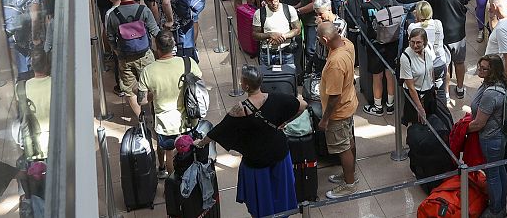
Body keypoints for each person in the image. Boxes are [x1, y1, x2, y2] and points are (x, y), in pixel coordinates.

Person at [194, 65, 307, 216]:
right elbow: (302, 106)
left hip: (256, 162)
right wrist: (286, 121)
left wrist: (200, 143)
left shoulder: (240, 109)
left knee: (261, 199)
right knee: (282, 193)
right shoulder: (276, 98)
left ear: (246, 85)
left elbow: (218, 131)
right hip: (280, 155)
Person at [138, 30, 202, 179]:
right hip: (189, 118)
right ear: (173, 46)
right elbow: (199, 83)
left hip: (165, 124)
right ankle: (190, 181)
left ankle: (174, 182)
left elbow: (141, 101)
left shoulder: (148, 71)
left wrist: (154, 94)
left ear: (156, 48)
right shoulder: (188, 62)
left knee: (169, 153)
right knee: (189, 149)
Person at [104, 0, 159, 119]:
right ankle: (156, 115)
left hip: (124, 58)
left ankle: (141, 121)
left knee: (130, 91)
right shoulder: (143, 10)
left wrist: (116, 51)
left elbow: (110, 37)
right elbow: (155, 31)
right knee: (153, 86)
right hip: (145, 54)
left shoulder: (112, 15)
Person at [317, 21, 359, 199]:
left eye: (319, 38)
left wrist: (325, 119)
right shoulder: (346, 44)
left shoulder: (335, 63)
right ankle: (350, 174)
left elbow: (334, 96)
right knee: (349, 142)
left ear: (325, 39)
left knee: (343, 148)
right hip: (349, 103)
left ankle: (349, 185)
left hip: (338, 112)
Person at [468, 54, 507, 218]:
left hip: (491, 139)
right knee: (499, 170)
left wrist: (462, 130)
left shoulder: (490, 93)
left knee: (493, 175)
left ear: (493, 71)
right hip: (498, 137)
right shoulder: (495, 84)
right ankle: (501, 206)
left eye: (484, 68)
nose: (480, 70)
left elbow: (479, 123)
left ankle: (496, 210)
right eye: (480, 66)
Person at [428, 0, 472, 99]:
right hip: (459, 33)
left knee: (445, 64)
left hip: (442, 34)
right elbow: (466, 0)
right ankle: (460, 88)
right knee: (460, 62)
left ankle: (445, 93)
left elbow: (431, 9)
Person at [398, 27, 441, 126]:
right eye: (412, 42)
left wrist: (434, 87)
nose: (415, 45)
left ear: (425, 42)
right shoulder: (406, 57)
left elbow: (431, 70)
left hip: (429, 93)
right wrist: (419, 108)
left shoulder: (428, 49)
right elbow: (411, 87)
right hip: (416, 97)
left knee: (432, 123)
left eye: (418, 42)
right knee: (417, 127)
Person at [253, 0, 301, 67]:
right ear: (265, 1)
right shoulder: (259, 13)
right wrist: (270, 35)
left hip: (286, 51)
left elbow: (297, 29)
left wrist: (283, 36)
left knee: (288, 77)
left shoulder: (289, 10)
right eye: (270, 1)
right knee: (267, 78)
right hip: (267, 52)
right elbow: (255, 35)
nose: (273, 3)